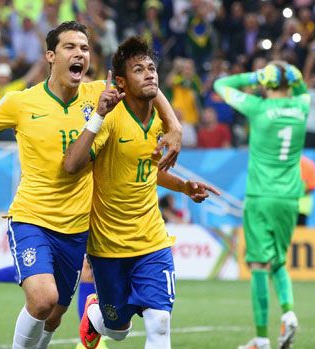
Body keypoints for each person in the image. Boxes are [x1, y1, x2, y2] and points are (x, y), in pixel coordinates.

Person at [0, 21, 181, 349]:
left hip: (77, 229)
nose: (79, 53)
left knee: (53, 315)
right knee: (42, 300)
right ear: (51, 56)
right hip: (32, 218)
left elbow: (147, 83)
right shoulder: (21, 103)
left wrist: (175, 125)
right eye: (70, 47)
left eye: (84, 47)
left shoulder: (98, 93)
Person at [64, 36, 219, 349]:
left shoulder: (163, 123)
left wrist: (184, 187)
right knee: (117, 329)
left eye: (152, 68)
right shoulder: (110, 120)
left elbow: (150, 170)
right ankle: (95, 315)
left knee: (160, 323)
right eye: (139, 70)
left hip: (152, 241)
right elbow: (72, 165)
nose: (149, 74)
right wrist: (97, 117)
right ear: (121, 81)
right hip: (108, 246)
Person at [214, 61, 309, 349]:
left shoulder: (258, 107)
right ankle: (289, 313)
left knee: (258, 264)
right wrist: (298, 77)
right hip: (290, 197)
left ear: (266, 83)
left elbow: (221, 86)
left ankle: (261, 339)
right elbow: (303, 90)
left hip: (260, 196)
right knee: (279, 261)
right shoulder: (301, 107)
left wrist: (254, 77)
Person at [297, 155, 315, 226]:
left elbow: (313, 186)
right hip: (302, 208)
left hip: (300, 208)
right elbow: (313, 185)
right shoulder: (308, 163)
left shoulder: (282, 163)